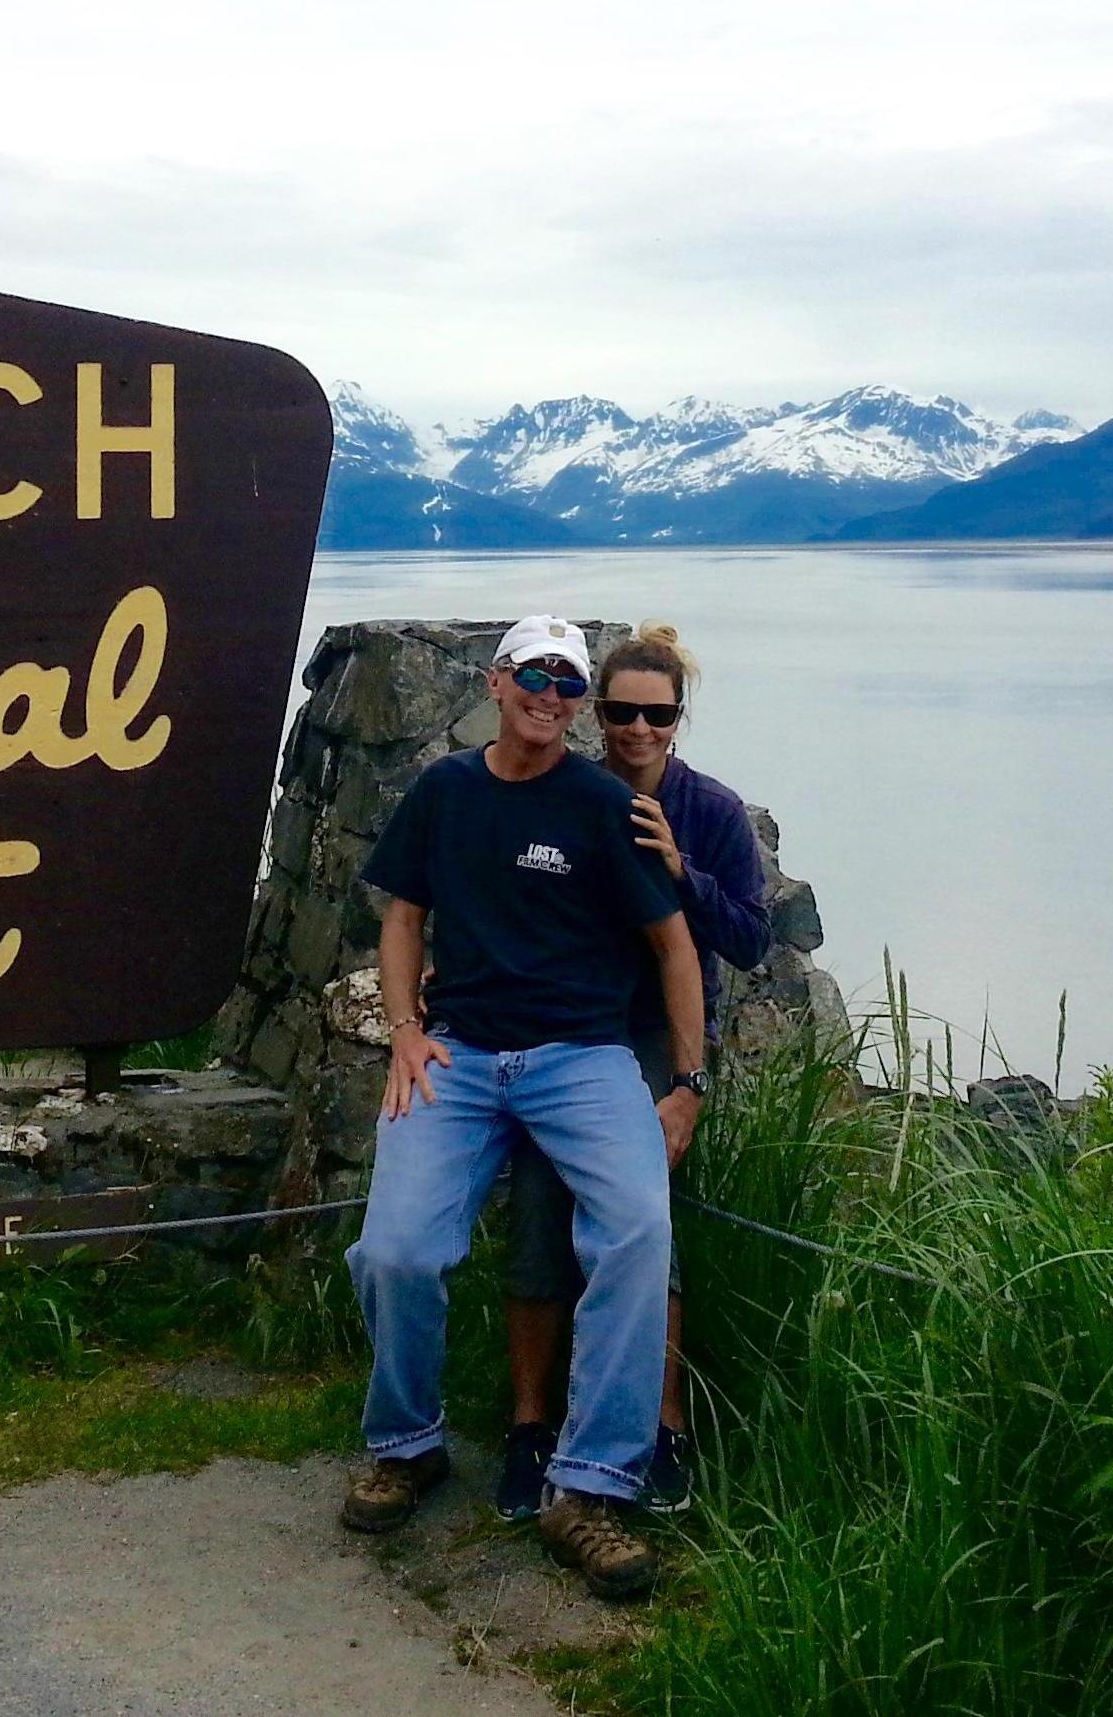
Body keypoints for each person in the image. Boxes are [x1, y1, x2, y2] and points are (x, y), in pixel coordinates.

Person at [340, 615, 708, 1603]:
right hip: (456, 1056)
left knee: (635, 1229)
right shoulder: (445, 791)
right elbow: (403, 914)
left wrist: (685, 1082)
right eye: (535, 675)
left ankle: (588, 1484)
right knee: (395, 1251)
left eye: (569, 684)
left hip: (580, 1059)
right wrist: (406, 1026)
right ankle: (406, 1442)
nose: (551, 695)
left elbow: (673, 944)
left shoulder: (600, 805)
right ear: (496, 681)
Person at [494, 624, 771, 1524]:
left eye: (655, 714)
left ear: (677, 719)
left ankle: (663, 1428)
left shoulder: (710, 811)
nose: (637, 730)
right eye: (619, 712)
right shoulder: (567, 796)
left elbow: (749, 939)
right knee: (537, 1203)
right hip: (567, 1026)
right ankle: (530, 1426)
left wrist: (677, 867)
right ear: (596, 714)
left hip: (655, 1034)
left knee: (643, 1221)